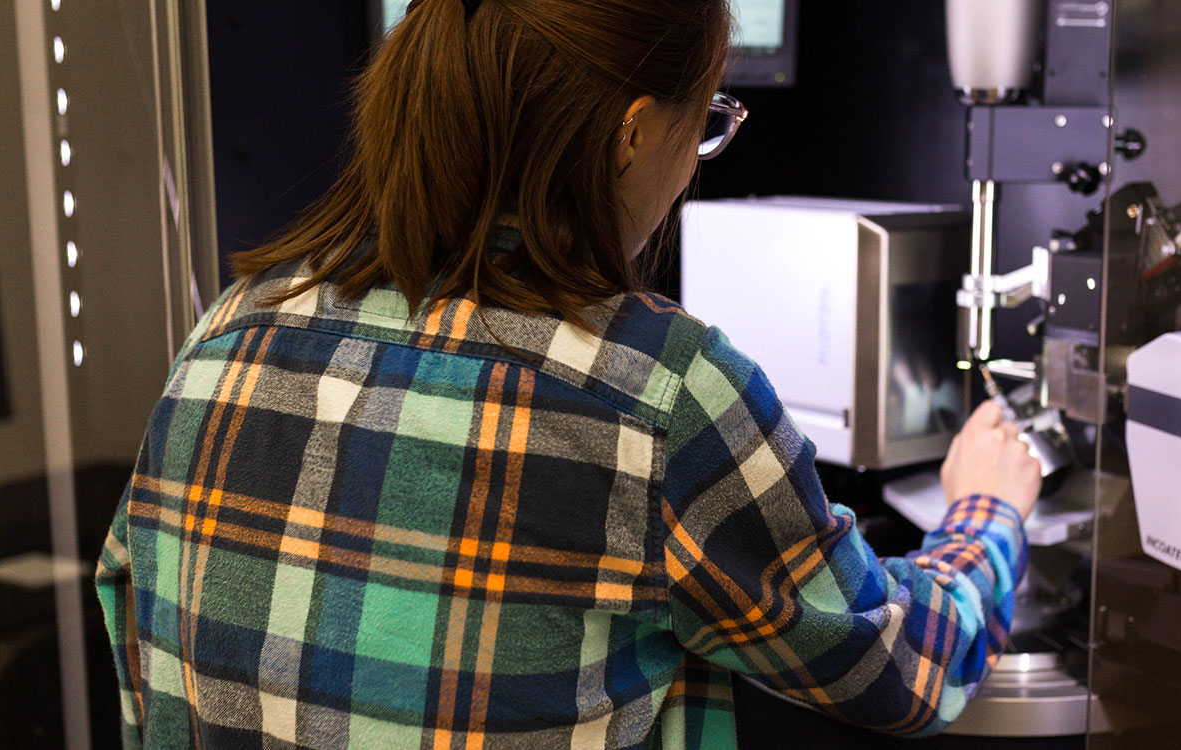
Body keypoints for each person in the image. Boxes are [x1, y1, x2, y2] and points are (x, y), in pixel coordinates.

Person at [93, 0, 1040, 747]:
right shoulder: (663, 394)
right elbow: (901, 673)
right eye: (704, 124)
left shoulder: (225, 331)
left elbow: (132, 634)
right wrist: (986, 511)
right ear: (632, 133)